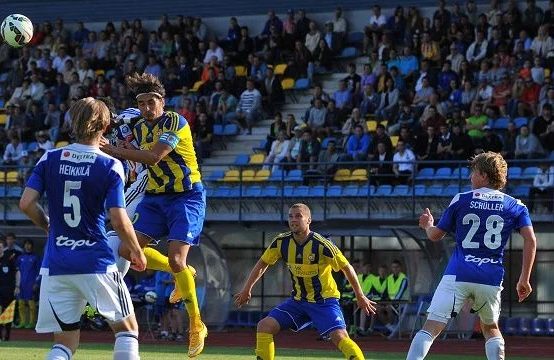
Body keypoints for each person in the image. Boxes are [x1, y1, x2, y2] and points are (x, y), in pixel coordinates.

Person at [19, 97, 146, 360]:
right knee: (127, 331)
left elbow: (26, 203)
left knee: (64, 344)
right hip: (95, 261)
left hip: (56, 264)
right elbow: (119, 219)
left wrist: (47, 226)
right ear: (106, 124)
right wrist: (136, 251)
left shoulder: (50, 157)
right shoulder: (110, 164)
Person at [98, 73, 207, 357]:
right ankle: (179, 273)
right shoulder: (139, 125)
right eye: (142, 103)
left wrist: (110, 149)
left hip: (186, 195)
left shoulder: (174, 121)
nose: (147, 108)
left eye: (151, 102)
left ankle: (197, 324)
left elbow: (154, 157)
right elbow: (120, 122)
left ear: (163, 101)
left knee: (176, 257)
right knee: (127, 250)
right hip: (156, 198)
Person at [406, 152, 537, 360]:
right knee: (491, 328)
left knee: (430, 327)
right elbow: (530, 240)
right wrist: (524, 278)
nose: (470, 177)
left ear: (484, 175)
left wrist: (427, 225)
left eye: (473, 172)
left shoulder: (461, 199)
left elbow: (435, 236)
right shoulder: (515, 205)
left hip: (458, 274)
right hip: (490, 277)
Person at [233, 204, 376, 360]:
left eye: (298, 216)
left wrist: (360, 296)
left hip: (324, 301)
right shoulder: (281, 242)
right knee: (264, 326)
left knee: (340, 337)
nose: (293, 220)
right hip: (298, 302)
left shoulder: (322, 245)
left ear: (309, 220)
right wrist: (247, 289)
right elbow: (262, 263)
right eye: (290, 216)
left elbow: (346, 268)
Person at [15, 239, 41, 329]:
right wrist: (17, 284)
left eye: (29, 244)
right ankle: (22, 321)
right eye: (26, 244)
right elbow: (16, 271)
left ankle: (32, 322)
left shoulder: (36, 258)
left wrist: (36, 283)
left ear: (32, 246)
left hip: (31, 283)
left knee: (31, 303)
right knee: (21, 303)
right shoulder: (20, 258)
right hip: (21, 284)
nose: (27, 246)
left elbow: (39, 271)